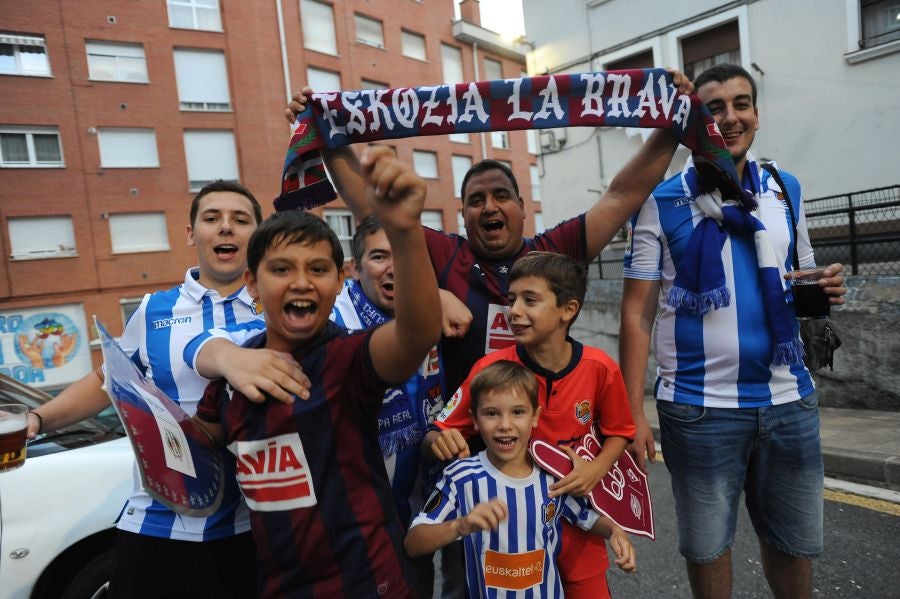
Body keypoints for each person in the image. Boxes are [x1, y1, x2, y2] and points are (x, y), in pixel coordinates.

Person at [284, 70, 694, 396]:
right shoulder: (443, 255)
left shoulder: (554, 252)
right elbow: (371, 210)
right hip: (461, 444)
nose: (490, 207)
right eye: (476, 200)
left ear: (521, 207)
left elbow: (623, 195)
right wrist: (327, 134)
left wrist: (672, 125)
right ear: (463, 215)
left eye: (501, 196)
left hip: (545, 437)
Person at [619, 63, 847, 599]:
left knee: (793, 546)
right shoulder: (660, 200)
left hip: (790, 401)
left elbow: (801, 269)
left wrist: (824, 283)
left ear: (757, 115)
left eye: (741, 104)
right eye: (714, 107)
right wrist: (632, 413)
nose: (729, 118)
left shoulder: (786, 189)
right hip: (699, 409)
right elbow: (637, 313)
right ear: (696, 118)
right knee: (707, 550)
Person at [191, 147, 441, 598]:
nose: (302, 282)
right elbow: (199, 441)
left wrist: (406, 234)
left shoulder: (348, 359)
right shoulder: (232, 378)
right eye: (282, 269)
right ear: (252, 283)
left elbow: (417, 332)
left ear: (340, 279)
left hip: (371, 584)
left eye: (319, 269)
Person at [25, 180, 266, 598]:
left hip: (255, 526)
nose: (226, 228)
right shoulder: (154, 308)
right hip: (156, 525)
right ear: (191, 234)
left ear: (257, 235)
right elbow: (106, 383)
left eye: (240, 219)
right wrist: (37, 418)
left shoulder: (279, 305)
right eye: (212, 218)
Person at [425, 251, 636, 599]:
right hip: (515, 533)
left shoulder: (601, 368)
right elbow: (440, 430)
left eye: (530, 300)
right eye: (511, 300)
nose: (514, 311)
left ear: (568, 309)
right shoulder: (489, 368)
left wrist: (596, 469)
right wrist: (440, 440)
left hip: (580, 524)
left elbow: (620, 432)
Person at [405, 360, 636, 597]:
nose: (505, 425)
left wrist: (615, 531)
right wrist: (460, 525)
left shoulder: (550, 474)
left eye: (517, 412)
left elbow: (585, 516)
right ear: (474, 419)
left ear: (535, 416)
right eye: (492, 413)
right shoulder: (461, 477)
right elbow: (413, 544)